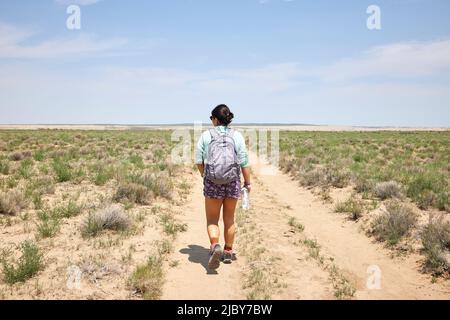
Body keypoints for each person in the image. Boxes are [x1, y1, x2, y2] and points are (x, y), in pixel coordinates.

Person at [195, 104, 251, 270]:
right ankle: (227, 251)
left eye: (211, 118)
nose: (211, 121)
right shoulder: (237, 136)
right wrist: (247, 182)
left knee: (212, 220)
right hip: (232, 181)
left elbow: (199, 161)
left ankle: (214, 246)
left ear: (216, 119)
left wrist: (205, 175)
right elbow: (244, 162)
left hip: (212, 182)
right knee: (229, 218)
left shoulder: (206, 136)